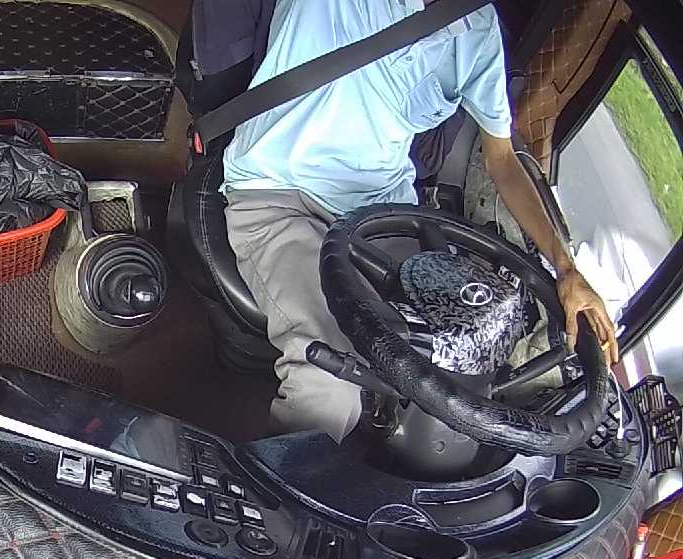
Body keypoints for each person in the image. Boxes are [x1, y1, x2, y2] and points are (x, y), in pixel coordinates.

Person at [222, 0, 620, 442]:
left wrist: (566, 269)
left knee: (464, 355)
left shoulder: (478, 31)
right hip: (279, 195)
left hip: (379, 215)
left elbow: (503, 162)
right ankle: (277, 483)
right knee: (330, 385)